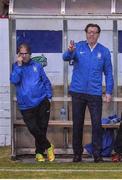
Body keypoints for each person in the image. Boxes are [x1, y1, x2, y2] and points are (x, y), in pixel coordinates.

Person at [63, 23, 114, 163]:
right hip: (77, 92)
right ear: (86, 33)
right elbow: (66, 57)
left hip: (95, 94)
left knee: (96, 125)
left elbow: (109, 73)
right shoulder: (78, 47)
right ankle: (77, 154)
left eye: (95, 32)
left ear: (98, 34)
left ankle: (97, 154)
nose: (92, 34)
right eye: (89, 32)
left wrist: (109, 91)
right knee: (77, 124)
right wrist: (69, 50)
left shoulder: (104, 51)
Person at [10, 43, 55, 162]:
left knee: (42, 128)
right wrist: (19, 66)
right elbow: (14, 80)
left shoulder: (37, 66)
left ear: (30, 54)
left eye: (26, 53)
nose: (23, 56)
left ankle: (39, 153)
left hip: (42, 101)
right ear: (18, 55)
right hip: (26, 105)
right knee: (33, 128)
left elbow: (46, 81)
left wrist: (49, 97)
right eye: (21, 53)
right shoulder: (16, 66)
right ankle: (49, 146)